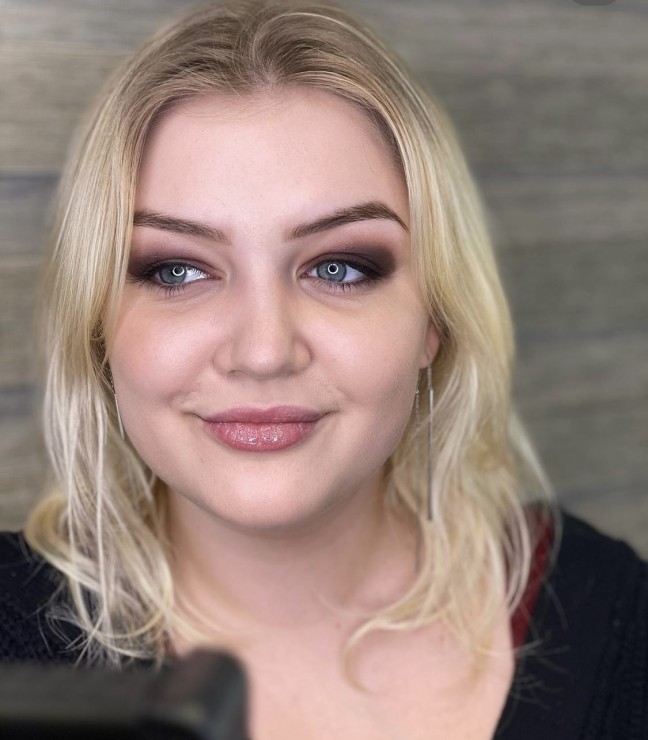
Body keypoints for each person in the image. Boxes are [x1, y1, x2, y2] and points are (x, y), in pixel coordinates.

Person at [1, 1, 646, 737]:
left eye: (338, 267)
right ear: (96, 323)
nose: (263, 352)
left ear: (434, 317)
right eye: (177, 270)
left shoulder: (615, 617)